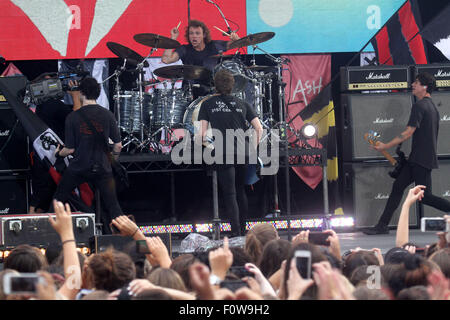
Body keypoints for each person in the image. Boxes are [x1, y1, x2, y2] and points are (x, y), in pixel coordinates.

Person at [362, 72, 450, 235]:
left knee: (426, 197)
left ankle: (381, 225)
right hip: (418, 158)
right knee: (398, 187)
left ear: (424, 87)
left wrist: (385, 145)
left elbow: (409, 132)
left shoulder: (420, 106)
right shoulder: (432, 108)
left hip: (421, 159)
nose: (412, 85)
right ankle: (382, 225)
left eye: (416, 83)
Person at [197, 69, 263, 236]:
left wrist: (207, 147)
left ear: (215, 85)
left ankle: (235, 232)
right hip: (243, 151)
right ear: (233, 85)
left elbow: (203, 134)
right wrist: (253, 149)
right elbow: (259, 128)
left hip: (223, 152)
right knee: (240, 190)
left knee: (230, 193)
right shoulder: (243, 104)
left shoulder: (207, 104)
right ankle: (243, 230)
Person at [53, 77, 123, 234]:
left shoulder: (72, 117)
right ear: (97, 94)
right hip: (103, 167)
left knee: (58, 200)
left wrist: (58, 152)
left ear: (81, 93)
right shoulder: (108, 115)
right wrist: (112, 161)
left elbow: (69, 150)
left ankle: (51, 235)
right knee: (113, 206)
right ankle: (125, 239)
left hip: (79, 167)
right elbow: (118, 145)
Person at [29, 75, 80, 214]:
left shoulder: (42, 106)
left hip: (42, 155)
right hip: (54, 157)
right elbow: (77, 118)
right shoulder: (54, 105)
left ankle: (30, 226)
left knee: (40, 196)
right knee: (46, 194)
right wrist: (75, 95)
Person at [161, 19, 240, 97]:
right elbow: (166, 59)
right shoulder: (184, 49)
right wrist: (173, 38)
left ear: (204, 35)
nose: (194, 36)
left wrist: (236, 39)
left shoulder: (213, 46)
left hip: (211, 91)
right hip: (189, 92)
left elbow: (238, 43)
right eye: (191, 33)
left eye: (197, 33)